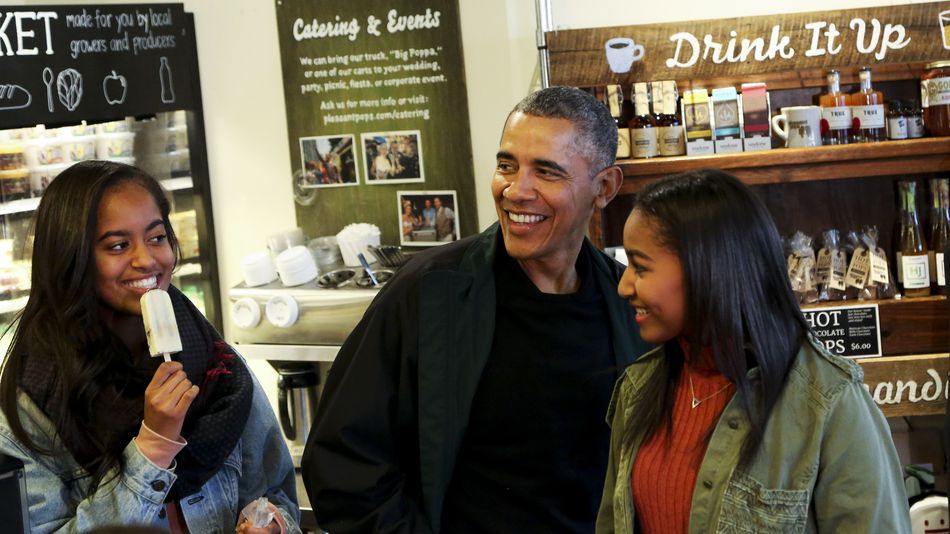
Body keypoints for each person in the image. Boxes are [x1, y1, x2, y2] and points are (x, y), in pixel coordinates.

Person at [302, 86, 653, 533]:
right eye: (507, 165)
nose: (516, 190)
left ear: (603, 188)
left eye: (546, 172)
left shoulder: (628, 304)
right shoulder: (429, 294)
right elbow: (341, 462)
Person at [597, 169, 911, 533]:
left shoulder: (828, 401)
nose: (624, 286)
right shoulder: (638, 390)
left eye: (640, 266)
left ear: (706, 268)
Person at [0, 160, 301, 533]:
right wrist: (152, 446)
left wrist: (271, 523)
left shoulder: (212, 361)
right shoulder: (31, 402)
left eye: (157, 238)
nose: (147, 260)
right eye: (119, 245)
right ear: (72, 257)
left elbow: (276, 492)